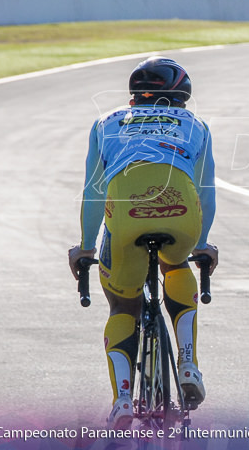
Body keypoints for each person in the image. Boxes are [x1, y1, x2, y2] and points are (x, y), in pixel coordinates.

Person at [68, 57, 218, 429]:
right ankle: (188, 363)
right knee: (177, 263)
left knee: (122, 303)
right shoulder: (195, 124)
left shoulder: (106, 122)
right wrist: (202, 243)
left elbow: (92, 191)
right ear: (182, 96)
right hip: (181, 209)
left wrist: (86, 246)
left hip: (125, 213)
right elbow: (206, 191)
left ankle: (121, 399)